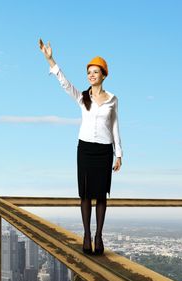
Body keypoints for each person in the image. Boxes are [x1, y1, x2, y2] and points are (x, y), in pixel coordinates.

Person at [39, 39, 122, 255]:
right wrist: (50, 59)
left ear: (104, 75)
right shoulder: (83, 97)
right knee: (85, 194)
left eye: (95, 72)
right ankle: (86, 234)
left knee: (102, 196)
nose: (91, 75)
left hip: (104, 150)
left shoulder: (113, 100)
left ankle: (98, 236)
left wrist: (119, 154)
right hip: (85, 149)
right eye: (89, 72)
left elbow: (115, 127)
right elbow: (65, 83)